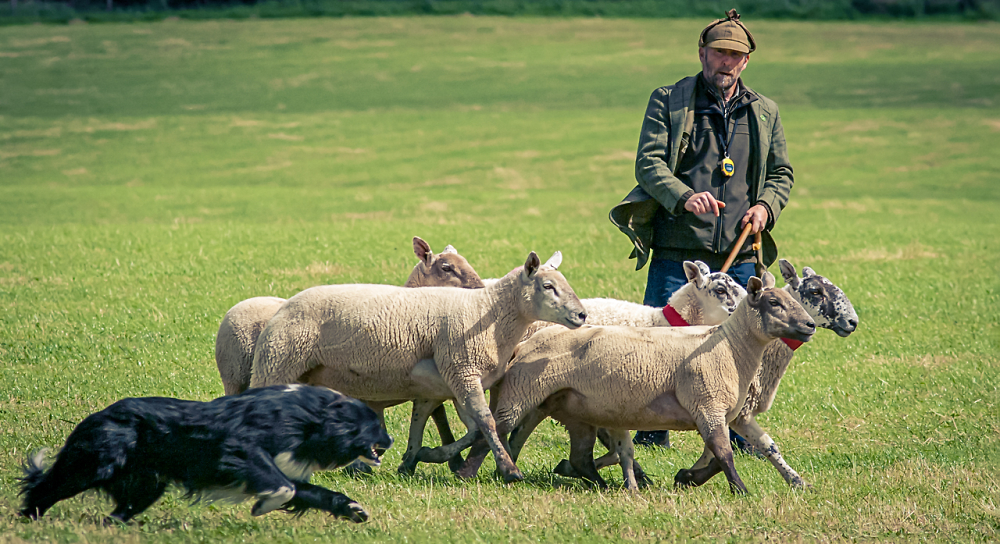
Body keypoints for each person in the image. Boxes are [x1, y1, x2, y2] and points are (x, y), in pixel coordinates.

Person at [609, 9, 794, 449]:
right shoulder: (669, 99)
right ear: (702, 53)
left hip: (740, 251)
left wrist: (767, 206)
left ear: (746, 61)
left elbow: (781, 173)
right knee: (659, 344)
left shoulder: (764, 111)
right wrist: (682, 196)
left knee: (743, 345)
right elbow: (649, 164)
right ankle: (652, 433)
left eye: (735, 55)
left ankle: (736, 432)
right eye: (718, 53)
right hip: (680, 249)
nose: (726, 62)